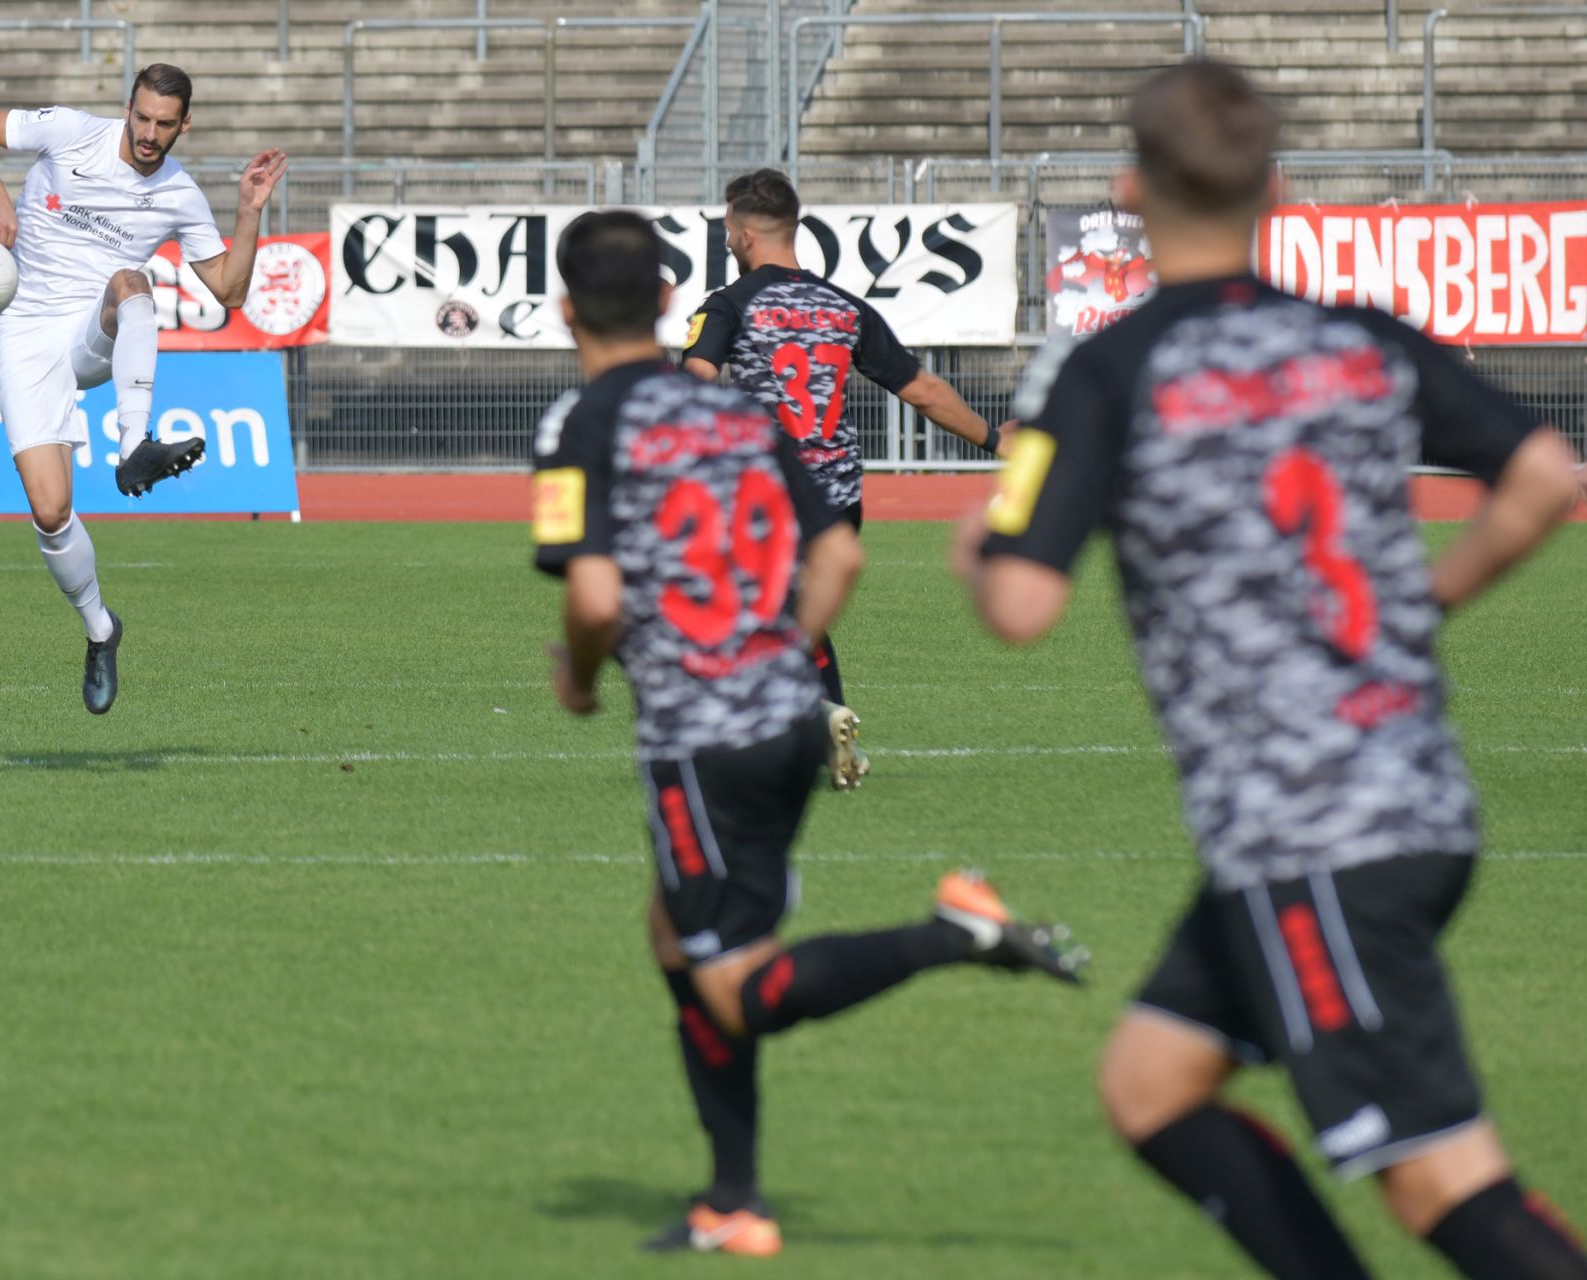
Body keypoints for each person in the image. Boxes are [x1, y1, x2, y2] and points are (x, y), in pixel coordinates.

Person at [956, 59, 1587, 1280]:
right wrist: (1424, 600)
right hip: (1401, 789)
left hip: (1313, 832)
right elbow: (1548, 475)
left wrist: (980, 552)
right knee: (1150, 1082)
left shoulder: (1115, 368)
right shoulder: (1356, 337)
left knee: (1438, 1179)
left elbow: (1025, 604)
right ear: (1277, 190)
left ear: (1127, 193)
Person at [537, 209, 1084, 1259]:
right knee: (679, 938)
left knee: (729, 977)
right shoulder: (743, 420)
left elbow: (597, 600)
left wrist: (579, 677)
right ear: (664, 301)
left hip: (706, 743)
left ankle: (954, 930)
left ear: (567, 309)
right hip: (793, 714)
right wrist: (774, 649)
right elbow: (838, 561)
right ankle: (732, 1197)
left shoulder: (581, 424)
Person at [0, 63, 287, 713]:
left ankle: (136, 444)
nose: (149, 134)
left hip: (96, 327)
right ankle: (101, 629)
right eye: (142, 118)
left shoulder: (180, 193)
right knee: (50, 514)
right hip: (25, 331)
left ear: (184, 125)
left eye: (165, 124)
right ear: (126, 108)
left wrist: (248, 212)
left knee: (133, 281)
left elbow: (229, 290)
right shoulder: (71, 131)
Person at [683, 168, 1012, 789]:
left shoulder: (729, 304)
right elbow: (923, 389)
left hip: (765, 489)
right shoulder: (843, 306)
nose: (726, 239)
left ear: (748, 234)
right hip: (837, 493)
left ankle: (768, 731)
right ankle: (818, 723)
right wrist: (994, 439)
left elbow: (697, 376)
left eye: (728, 229)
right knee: (792, 610)